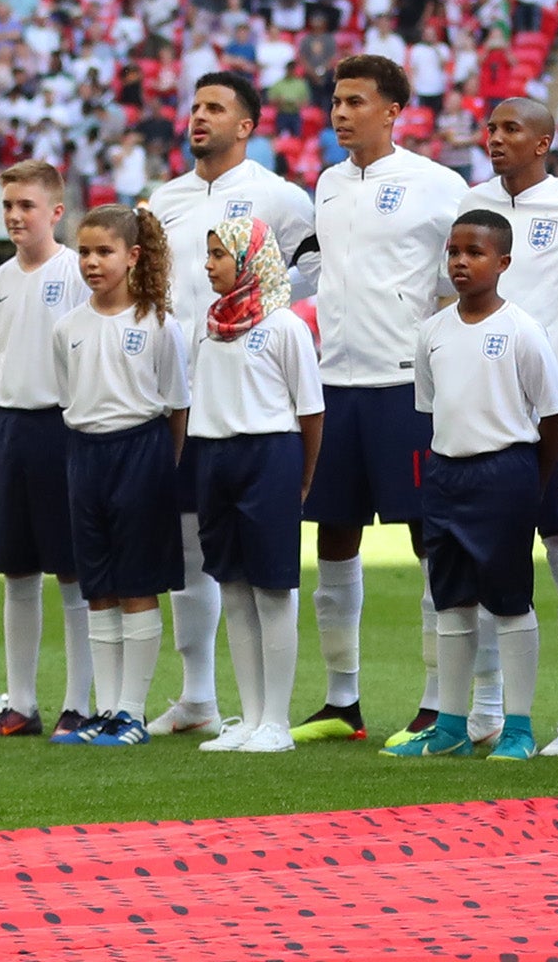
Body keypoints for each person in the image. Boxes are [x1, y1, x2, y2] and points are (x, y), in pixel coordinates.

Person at [296, 55, 468, 745]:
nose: (340, 113)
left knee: (427, 537)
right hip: (335, 381)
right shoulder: (328, 183)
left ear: (393, 110)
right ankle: (343, 702)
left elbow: (465, 276)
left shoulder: (439, 184)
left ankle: (435, 699)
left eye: (355, 101)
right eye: (336, 101)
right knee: (334, 535)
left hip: (407, 384)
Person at [147, 70, 318, 740]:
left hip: (256, 392)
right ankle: (198, 696)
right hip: (187, 395)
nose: (198, 117)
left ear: (246, 125)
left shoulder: (279, 197)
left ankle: (271, 711)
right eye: (193, 106)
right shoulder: (165, 199)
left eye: (214, 108)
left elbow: (314, 274)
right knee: (193, 551)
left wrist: (269, 324)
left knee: (264, 572)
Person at [452, 98, 558, 759]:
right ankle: (487, 711)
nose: (495, 138)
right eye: (490, 128)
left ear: (544, 140)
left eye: (510, 129)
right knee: (490, 564)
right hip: (486, 418)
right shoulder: (471, 203)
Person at [384, 211, 558, 762]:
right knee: (451, 603)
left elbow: (554, 413)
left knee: (510, 602)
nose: (461, 263)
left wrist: (528, 479)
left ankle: (517, 727)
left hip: (504, 472)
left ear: (503, 263)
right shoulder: (432, 332)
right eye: (455, 252)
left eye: (475, 253)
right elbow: (430, 404)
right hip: (446, 474)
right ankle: (449, 725)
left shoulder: (521, 329)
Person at [50, 206, 189, 748]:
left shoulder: (157, 323)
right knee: (98, 587)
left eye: (104, 251)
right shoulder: (69, 328)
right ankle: (104, 711)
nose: (91, 262)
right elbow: (69, 398)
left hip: (142, 452)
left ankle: (131, 712)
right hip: (85, 455)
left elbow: (177, 403)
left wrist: (160, 465)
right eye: (84, 252)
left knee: (136, 585)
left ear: (132, 257)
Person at [187, 219, 323, 755]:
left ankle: (276, 721)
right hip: (213, 456)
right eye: (209, 253)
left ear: (249, 260)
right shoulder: (208, 325)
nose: (209, 264)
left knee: (272, 587)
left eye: (219, 254)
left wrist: (304, 475)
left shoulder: (284, 325)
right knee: (232, 587)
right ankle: (248, 717)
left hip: (269, 455)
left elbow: (310, 410)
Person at [0, 161, 91, 742]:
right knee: (16, 568)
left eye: (28, 206)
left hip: (61, 425)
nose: (16, 215)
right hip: (8, 427)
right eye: (8, 206)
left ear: (57, 212)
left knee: (71, 570)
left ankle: (78, 704)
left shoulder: (77, 274)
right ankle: (20, 705)